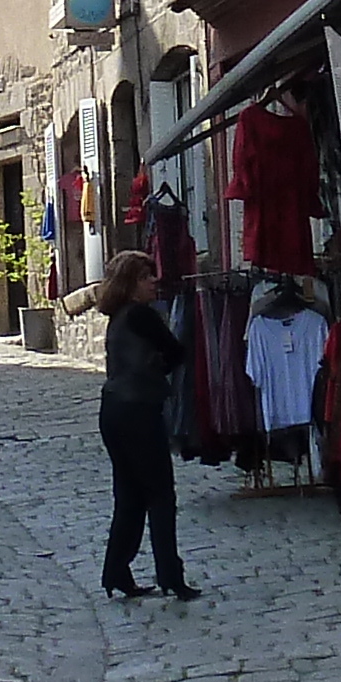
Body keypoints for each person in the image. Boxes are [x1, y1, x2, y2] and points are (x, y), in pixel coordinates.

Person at [93, 250, 199, 600]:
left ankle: (116, 572)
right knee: (159, 495)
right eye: (145, 277)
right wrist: (161, 366)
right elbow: (176, 351)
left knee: (129, 496)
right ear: (130, 284)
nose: (153, 281)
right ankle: (171, 574)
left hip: (113, 411)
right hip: (138, 410)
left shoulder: (119, 317)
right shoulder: (141, 315)